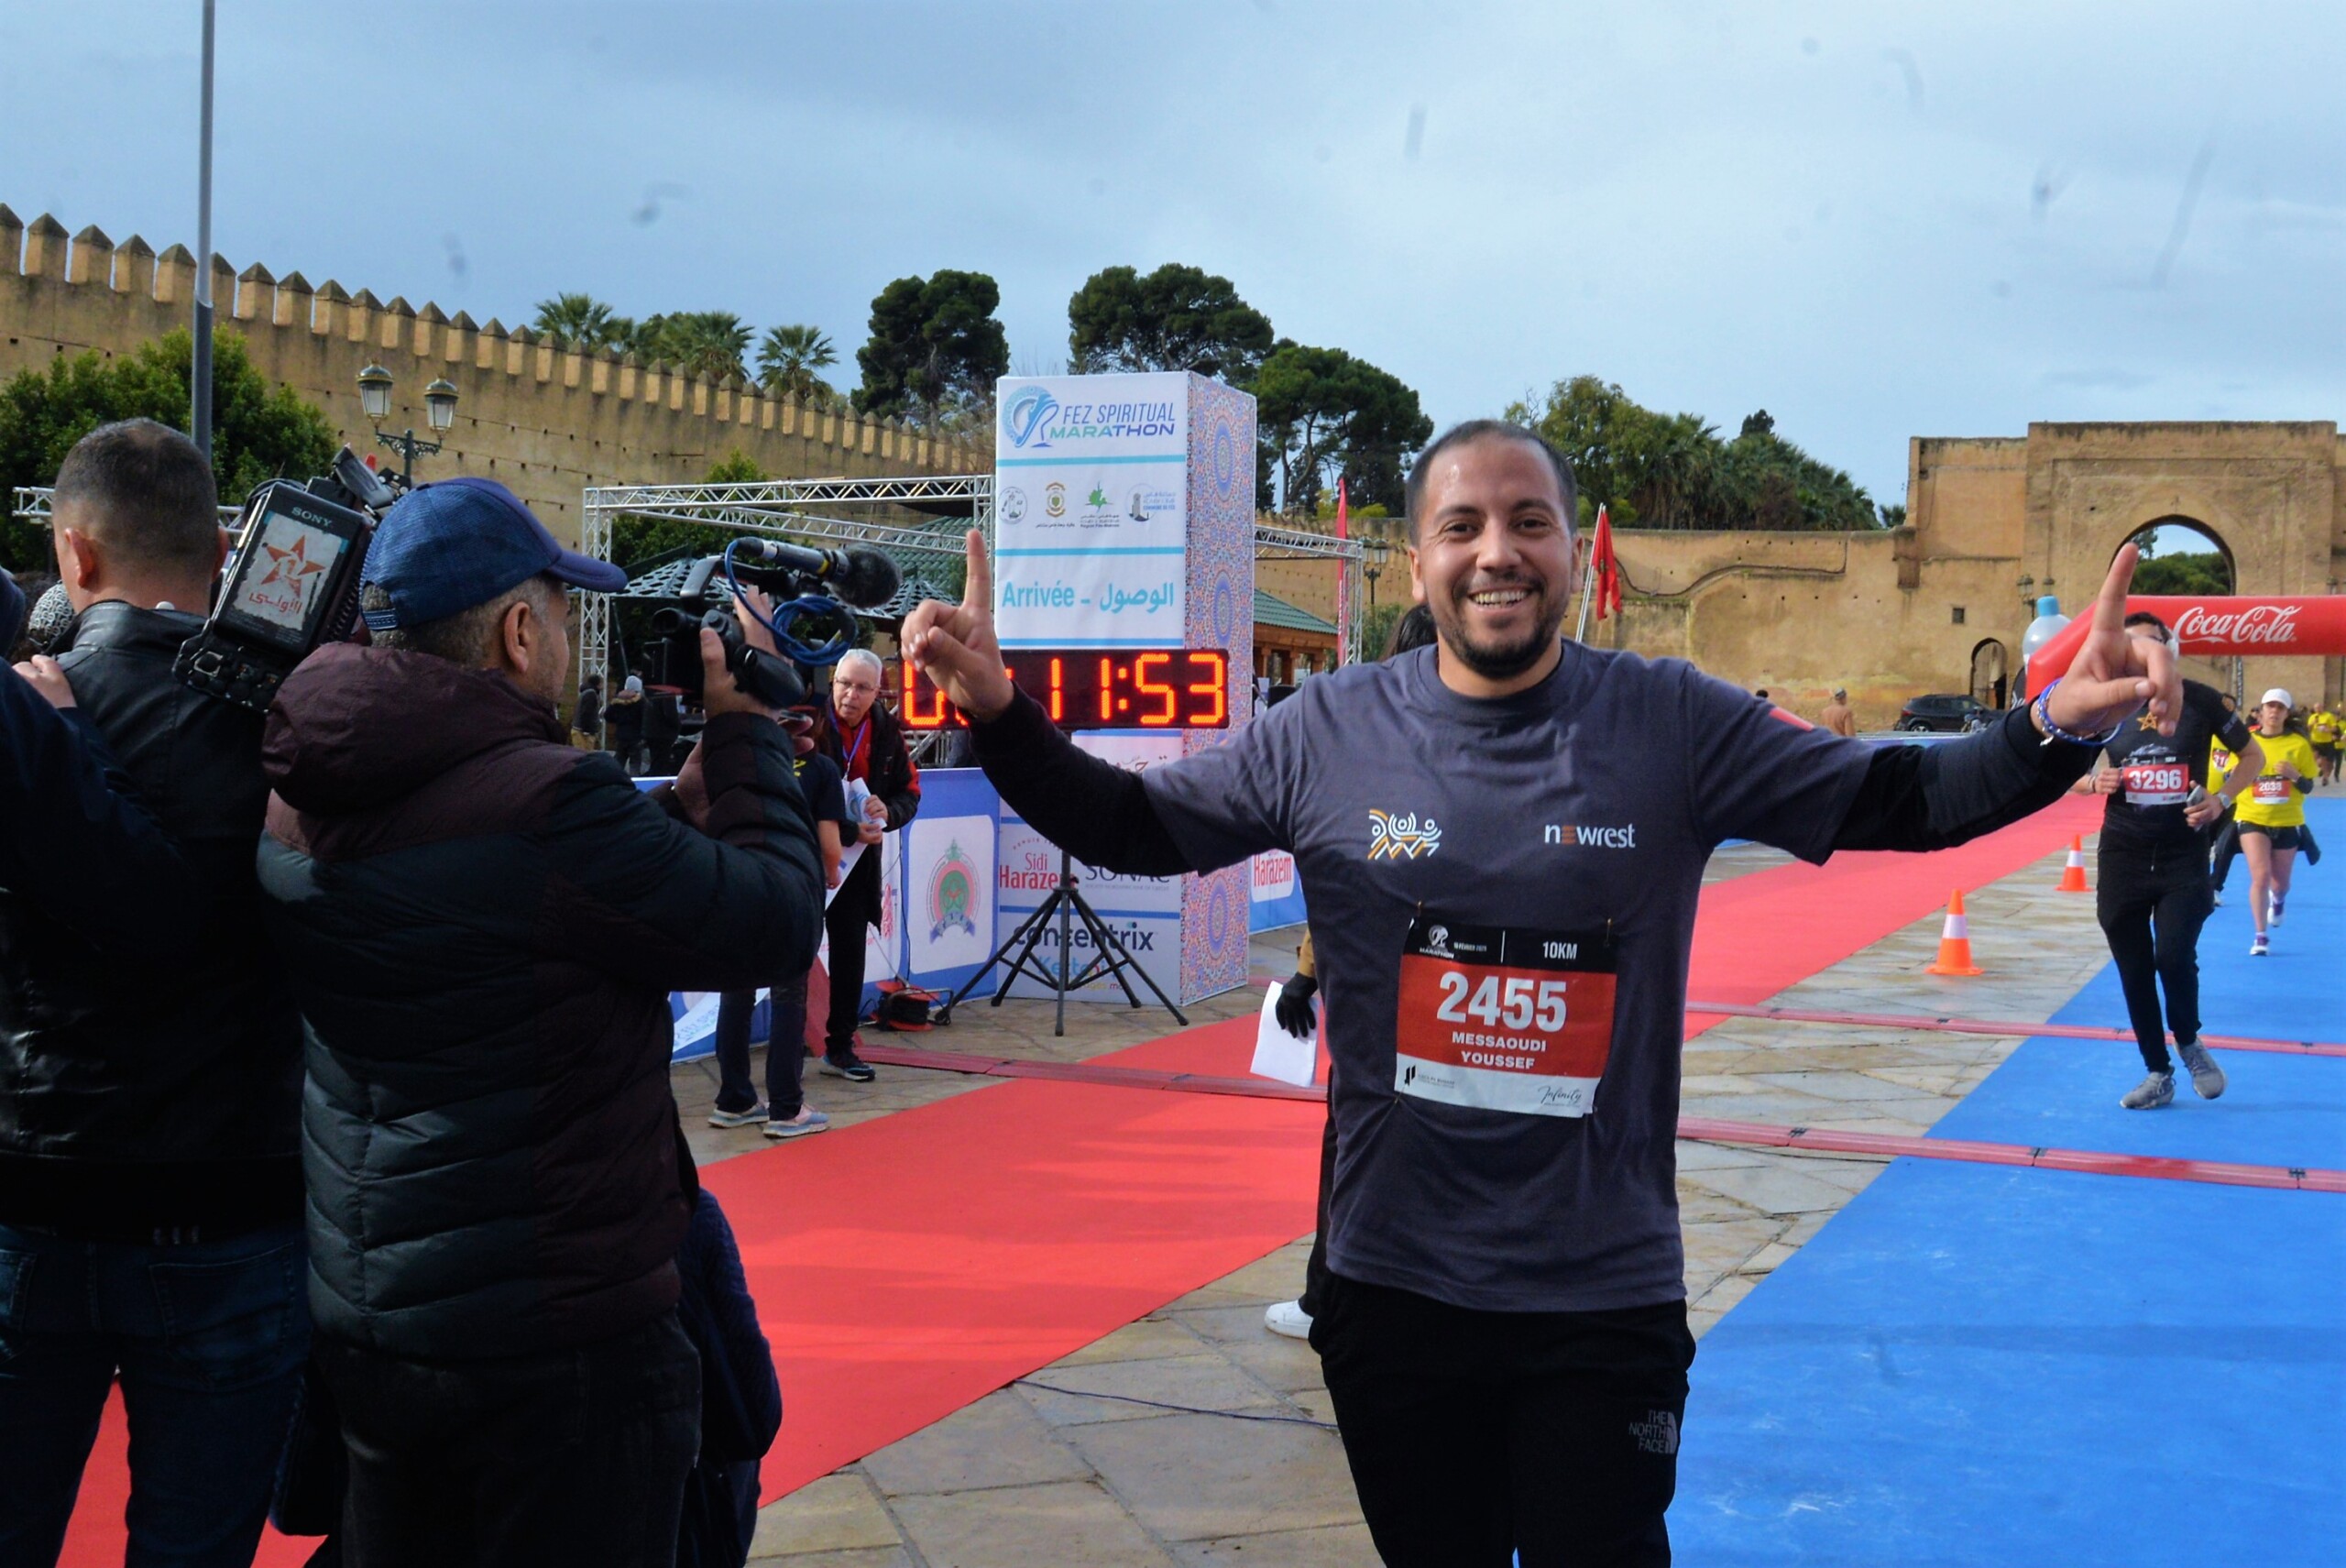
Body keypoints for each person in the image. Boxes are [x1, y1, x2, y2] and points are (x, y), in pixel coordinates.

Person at [904, 419, 2176, 1568]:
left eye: (1529, 521)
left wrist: (2055, 723)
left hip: (1599, 1293)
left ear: (1572, 552)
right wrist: (1004, 713)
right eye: (1460, 525)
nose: (1495, 551)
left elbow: (1908, 799)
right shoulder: (1327, 730)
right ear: (1418, 566)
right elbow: (1134, 825)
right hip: (1393, 1291)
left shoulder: (1672, 720)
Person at [254, 477, 826, 1564]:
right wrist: (751, 743)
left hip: (377, 1316)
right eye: (561, 613)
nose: (568, 636)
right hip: (556, 1337)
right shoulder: (549, 803)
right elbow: (774, 926)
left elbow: (488, 896)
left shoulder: (298, 783)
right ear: (519, 631)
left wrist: (665, 821)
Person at [0, 419, 312, 1568]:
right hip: (237, 1210)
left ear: (73, 557)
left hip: (38, 1193)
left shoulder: (31, 709)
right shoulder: (295, 722)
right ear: (224, 542)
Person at [1265, 603, 1438, 1345]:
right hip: (1453, 1000)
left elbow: (1344, 877)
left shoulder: (1368, 749)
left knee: (1355, 1151)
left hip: (1385, 1001)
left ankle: (1328, 1300)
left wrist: (1308, 972)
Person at [2073, 612, 2259, 1110]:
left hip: (2182, 854)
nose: (2141, 656)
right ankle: (2157, 1071)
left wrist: (2220, 800)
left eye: (2151, 645)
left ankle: (2190, 1041)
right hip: (2123, 855)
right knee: (2134, 969)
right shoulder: (2105, 702)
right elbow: (2060, 771)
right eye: (2131, 647)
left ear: (2170, 648)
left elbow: (2254, 758)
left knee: (2173, 955)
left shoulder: (2198, 698)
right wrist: (2095, 782)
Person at [708, 707, 856, 1139]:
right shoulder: (821, 769)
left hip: (736, 880)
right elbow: (830, 845)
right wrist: (829, 872)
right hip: (791, 888)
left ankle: (734, 1101)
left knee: (737, 988)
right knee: (789, 991)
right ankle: (786, 1107)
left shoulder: (734, 764)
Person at [811, 647, 922, 1082]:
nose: (850, 695)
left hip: (859, 863)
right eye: (844, 684)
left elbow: (910, 794)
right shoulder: (811, 723)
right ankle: (779, 1053)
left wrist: (885, 814)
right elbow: (793, 795)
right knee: (794, 952)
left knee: (850, 954)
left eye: (862, 688)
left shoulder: (887, 729)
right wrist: (844, 830)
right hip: (806, 855)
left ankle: (840, 1048)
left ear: (878, 691)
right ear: (832, 682)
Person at [2236, 687, 2319, 956]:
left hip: (2287, 820)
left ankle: (2279, 900)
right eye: (2269, 706)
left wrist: (2294, 775)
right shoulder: (2245, 741)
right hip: (2252, 817)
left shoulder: (2298, 744)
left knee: (2280, 883)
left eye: (2280, 708)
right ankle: (2260, 936)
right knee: (2260, 876)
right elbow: (2229, 777)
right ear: (2260, 712)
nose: (2274, 712)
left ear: (2286, 713)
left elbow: (2308, 786)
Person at [608, 672, 648, 773]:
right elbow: (646, 719)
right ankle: (634, 784)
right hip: (636, 737)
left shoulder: (617, 700)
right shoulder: (642, 702)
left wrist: (619, 719)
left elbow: (607, 716)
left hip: (621, 736)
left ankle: (615, 781)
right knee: (635, 764)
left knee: (618, 762)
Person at [2309, 699, 2341, 784]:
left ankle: (2325, 777)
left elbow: (2335, 728)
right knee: (2314, 757)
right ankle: (2310, 774)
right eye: (2316, 708)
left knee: (2326, 761)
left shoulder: (2329, 716)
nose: (2317, 710)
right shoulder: (2313, 717)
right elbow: (2308, 728)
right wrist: (2313, 723)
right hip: (2315, 741)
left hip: (2327, 742)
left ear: (2323, 708)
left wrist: (2328, 729)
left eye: (2319, 708)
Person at [573, 670, 606, 750]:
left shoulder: (585, 692)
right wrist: (587, 730)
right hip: (584, 733)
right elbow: (587, 713)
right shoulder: (591, 694)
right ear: (597, 684)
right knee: (584, 755)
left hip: (579, 729)